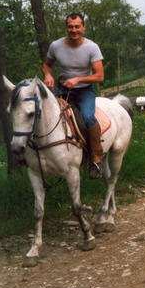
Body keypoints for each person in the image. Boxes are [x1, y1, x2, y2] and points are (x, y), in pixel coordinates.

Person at [42, 13, 105, 179]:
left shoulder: (92, 47)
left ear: (83, 27)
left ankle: (96, 157)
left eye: (77, 26)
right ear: (66, 28)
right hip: (64, 89)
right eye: (70, 26)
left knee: (88, 117)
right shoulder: (56, 46)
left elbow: (100, 76)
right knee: (44, 113)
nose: (74, 30)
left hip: (85, 90)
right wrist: (48, 75)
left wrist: (79, 79)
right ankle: (44, 157)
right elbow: (47, 65)